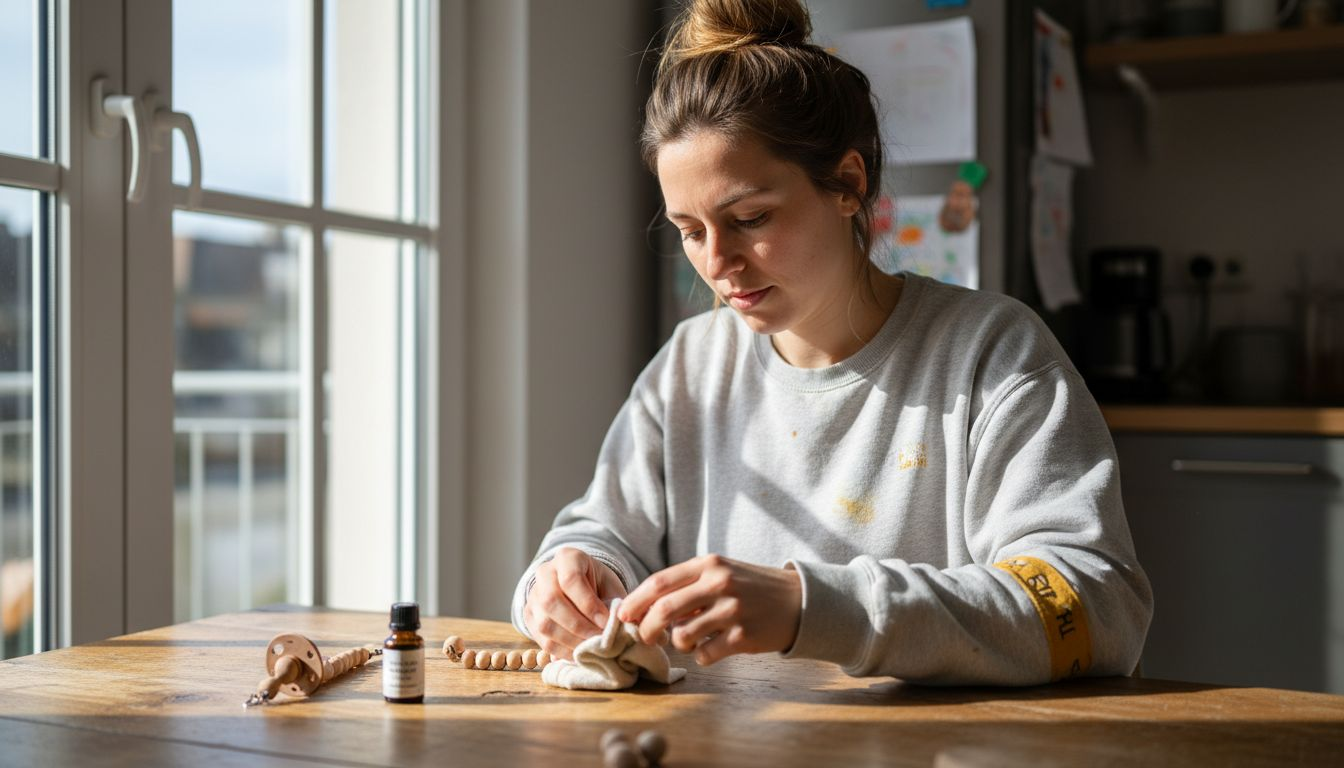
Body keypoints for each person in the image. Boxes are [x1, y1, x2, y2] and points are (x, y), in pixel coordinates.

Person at [511, 0, 1152, 685]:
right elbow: (598, 533)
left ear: (848, 183)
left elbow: (1095, 606)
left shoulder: (992, 356)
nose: (717, 263)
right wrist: (566, 580)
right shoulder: (690, 368)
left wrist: (809, 607)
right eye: (691, 231)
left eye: (750, 217)